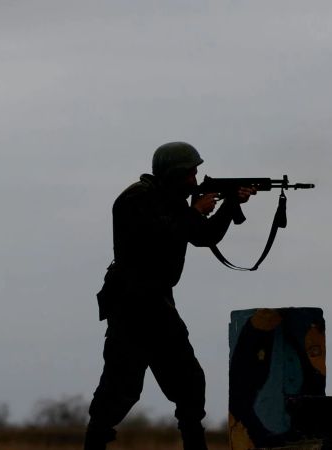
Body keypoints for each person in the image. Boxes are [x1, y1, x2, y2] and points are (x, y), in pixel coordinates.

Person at [84, 142, 256, 450]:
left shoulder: (173, 201)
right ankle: (94, 443)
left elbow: (203, 236)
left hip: (158, 305)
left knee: (189, 383)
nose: (195, 180)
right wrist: (195, 210)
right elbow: (158, 239)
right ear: (174, 174)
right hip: (132, 306)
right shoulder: (135, 199)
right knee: (120, 389)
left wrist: (230, 205)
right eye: (190, 174)